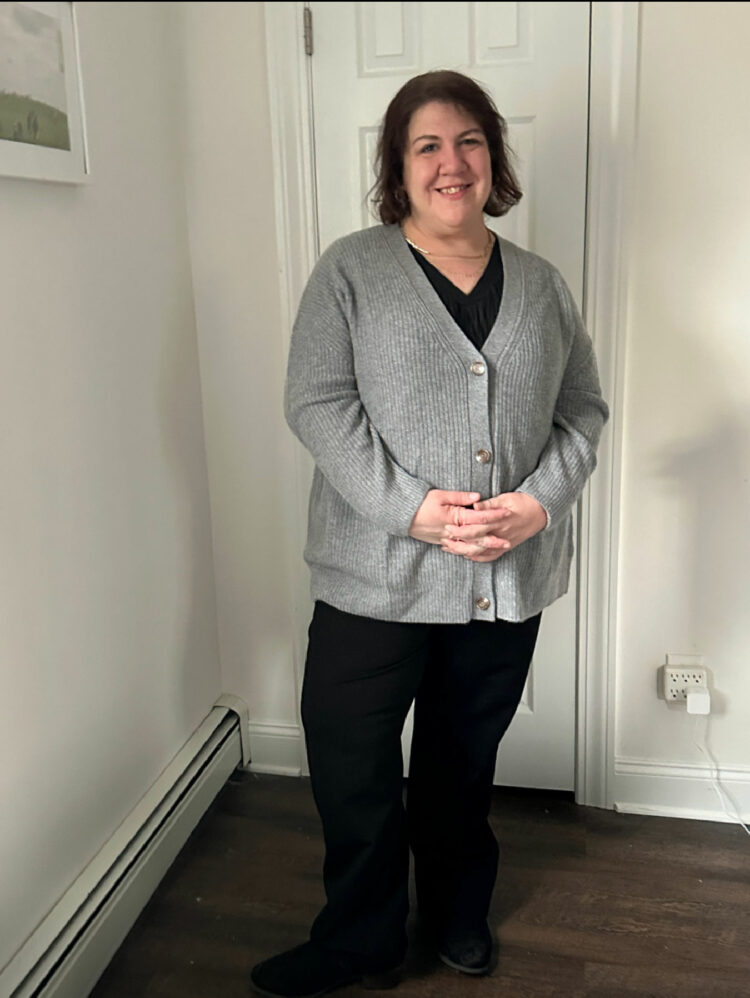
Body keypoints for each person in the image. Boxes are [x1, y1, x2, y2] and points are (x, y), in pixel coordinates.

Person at [251, 70, 608, 998]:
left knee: (460, 764)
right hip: (373, 573)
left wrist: (539, 504)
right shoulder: (351, 270)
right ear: (398, 168)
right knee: (352, 760)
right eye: (427, 145)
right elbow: (317, 403)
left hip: (502, 578)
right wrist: (410, 507)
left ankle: (455, 911)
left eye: (470, 141)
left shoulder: (542, 284)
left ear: (494, 155)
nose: (452, 163)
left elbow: (584, 413)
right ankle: (361, 938)